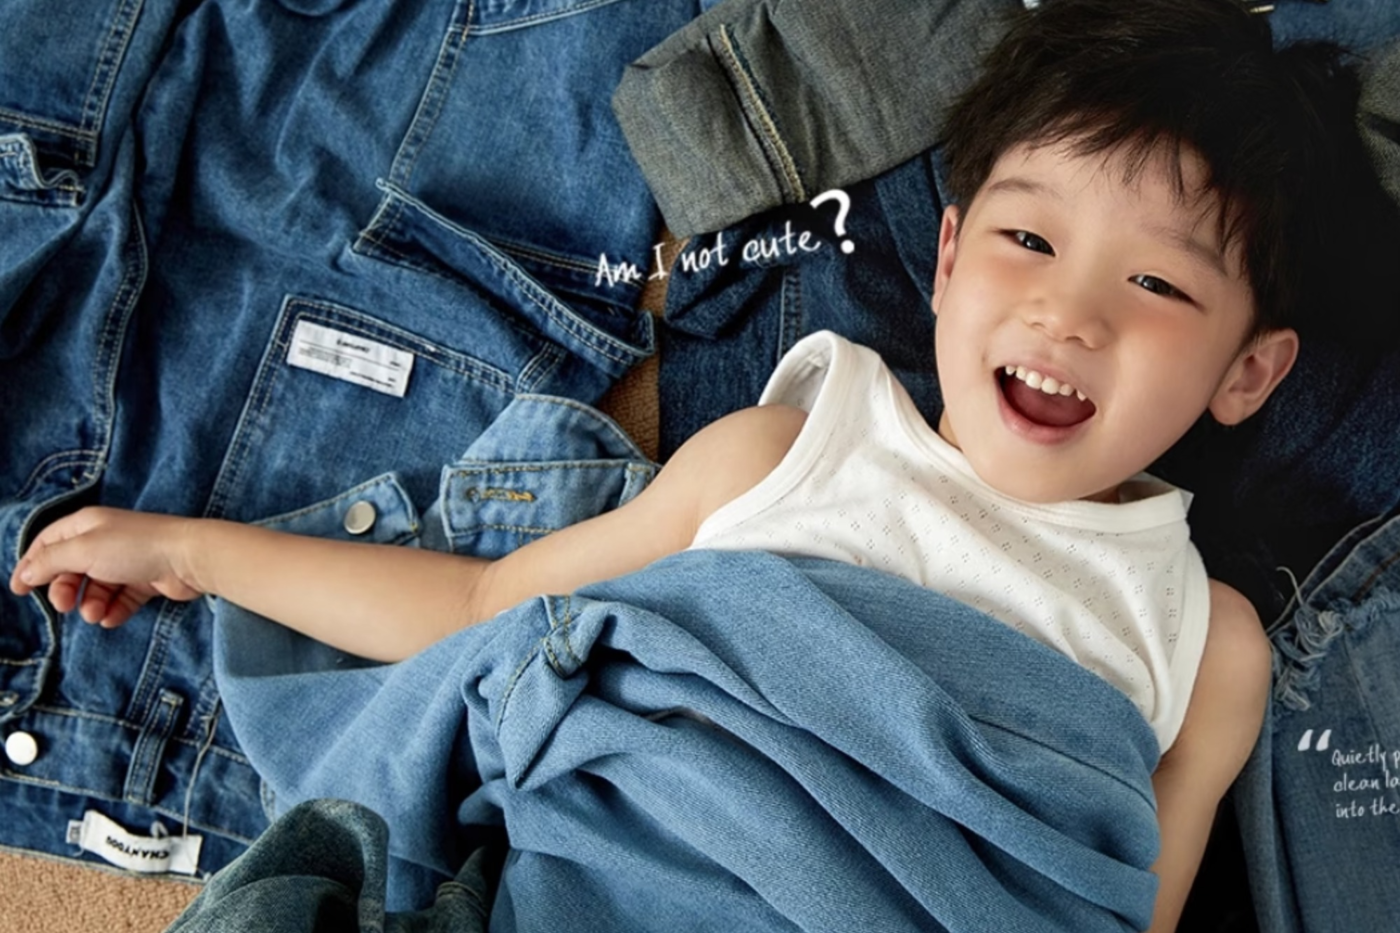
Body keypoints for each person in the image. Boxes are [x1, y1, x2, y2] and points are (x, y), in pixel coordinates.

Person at [8, 0, 1375, 928]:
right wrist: (194, 551)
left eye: (1158, 285)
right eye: (1030, 241)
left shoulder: (1213, 645)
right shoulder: (788, 449)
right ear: (950, 260)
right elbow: (488, 611)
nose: (1070, 314)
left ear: (1249, 373)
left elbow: (1117, 904)